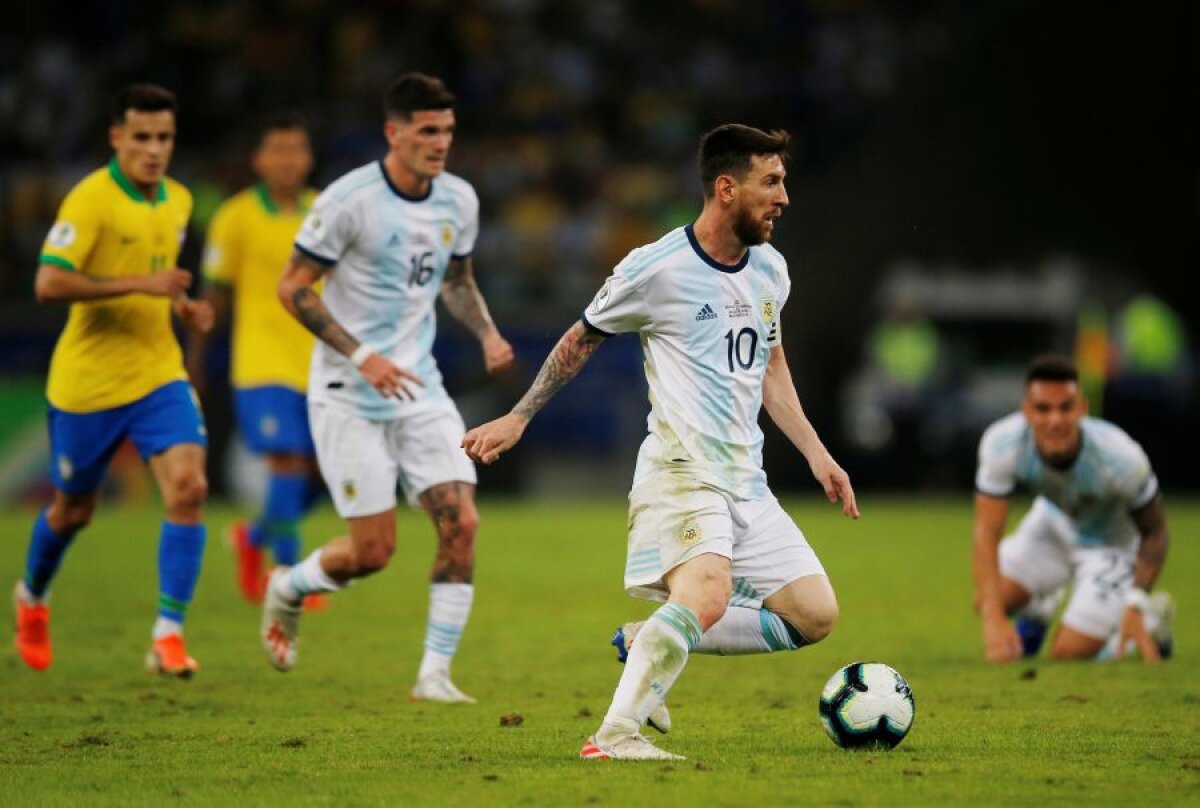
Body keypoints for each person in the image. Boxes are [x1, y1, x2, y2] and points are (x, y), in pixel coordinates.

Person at [463, 124, 859, 760]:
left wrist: (817, 453)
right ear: (726, 189)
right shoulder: (656, 268)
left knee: (813, 615)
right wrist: (518, 417)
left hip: (745, 481)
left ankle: (645, 636)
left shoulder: (772, 270)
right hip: (682, 470)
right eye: (772, 182)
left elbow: (771, 367)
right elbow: (580, 339)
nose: (784, 197)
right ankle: (614, 735)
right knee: (705, 595)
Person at [261, 72, 514, 704]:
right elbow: (292, 287)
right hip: (348, 390)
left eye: (448, 131)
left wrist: (486, 333)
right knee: (373, 552)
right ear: (393, 133)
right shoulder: (349, 201)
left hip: (420, 389)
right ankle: (288, 587)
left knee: (462, 522)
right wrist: (363, 354)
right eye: (427, 131)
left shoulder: (459, 200)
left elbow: (456, 279)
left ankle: (434, 675)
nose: (440, 143)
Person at [13, 83, 213, 678]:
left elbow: (157, 278)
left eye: (165, 138)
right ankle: (33, 597)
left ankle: (168, 633)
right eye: (143, 138)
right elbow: (49, 284)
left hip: (157, 373)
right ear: (117, 138)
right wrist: (139, 286)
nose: (154, 150)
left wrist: (181, 307)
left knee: (190, 489)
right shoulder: (91, 200)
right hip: (88, 384)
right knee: (73, 512)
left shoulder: (176, 200)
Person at [186, 110, 326, 605]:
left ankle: (253, 538)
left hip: (321, 363)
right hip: (260, 362)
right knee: (286, 460)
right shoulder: (235, 216)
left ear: (309, 158)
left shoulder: (326, 210)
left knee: (321, 474)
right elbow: (215, 294)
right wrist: (196, 359)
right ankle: (289, 576)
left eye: (298, 150)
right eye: (279, 150)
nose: (290, 160)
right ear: (258, 160)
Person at [972, 353, 1174, 665]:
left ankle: (1149, 626)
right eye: (1043, 408)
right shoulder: (1002, 443)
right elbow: (986, 531)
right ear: (1026, 411)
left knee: (1067, 654)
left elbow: (1155, 532)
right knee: (987, 599)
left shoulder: (1121, 458)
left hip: (1111, 545)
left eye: (1065, 407)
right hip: (1053, 525)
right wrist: (993, 621)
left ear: (1082, 408)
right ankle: (1040, 608)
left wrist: (1136, 601)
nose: (1054, 420)